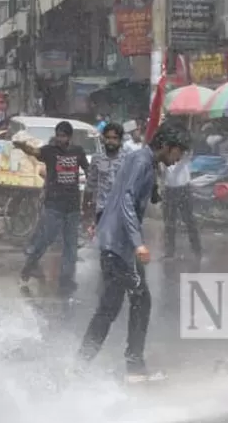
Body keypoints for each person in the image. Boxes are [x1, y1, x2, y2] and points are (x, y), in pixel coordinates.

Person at [79, 123, 190, 380]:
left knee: (135, 301)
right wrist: (138, 242)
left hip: (120, 244)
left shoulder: (143, 161)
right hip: (119, 245)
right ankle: (95, 364)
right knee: (114, 306)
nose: (178, 160)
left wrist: (153, 192)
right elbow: (126, 199)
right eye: (177, 153)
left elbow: (138, 194)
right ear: (165, 146)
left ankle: (119, 363)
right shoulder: (142, 162)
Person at [16, 120, 90, 296]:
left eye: (63, 135)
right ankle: (29, 266)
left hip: (72, 205)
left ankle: (66, 279)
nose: (59, 138)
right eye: (58, 135)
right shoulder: (50, 151)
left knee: (71, 245)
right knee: (46, 239)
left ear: (69, 137)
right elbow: (34, 152)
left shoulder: (78, 152)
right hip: (53, 205)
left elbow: (89, 171)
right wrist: (22, 145)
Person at [161, 143, 201, 261]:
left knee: (189, 221)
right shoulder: (164, 157)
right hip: (170, 190)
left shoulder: (184, 156)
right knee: (169, 223)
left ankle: (197, 250)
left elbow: (189, 151)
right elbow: (163, 172)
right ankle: (169, 252)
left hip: (184, 189)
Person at [90, 122, 126, 223]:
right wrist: (87, 211)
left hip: (121, 211)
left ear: (120, 140)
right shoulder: (97, 158)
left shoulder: (128, 159)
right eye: (108, 137)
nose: (111, 141)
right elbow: (90, 185)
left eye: (115, 138)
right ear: (103, 138)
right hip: (101, 210)